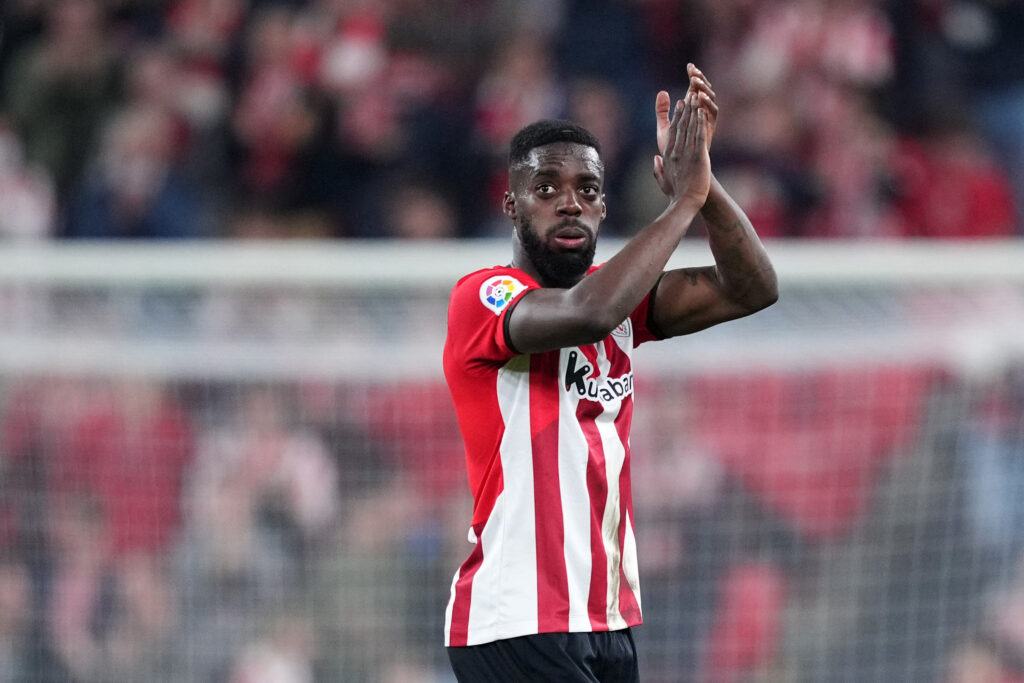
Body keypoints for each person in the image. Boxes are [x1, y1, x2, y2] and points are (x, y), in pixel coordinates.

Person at [441, 63, 778, 682]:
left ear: (603, 205)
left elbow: (753, 288)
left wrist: (706, 187)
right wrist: (683, 204)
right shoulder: (484, 296)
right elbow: (588, 313)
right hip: (517, 621)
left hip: (606, 621)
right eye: (546, 188)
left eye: (588, 189)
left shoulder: (620, 302)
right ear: (512, 205)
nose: (570, 202)